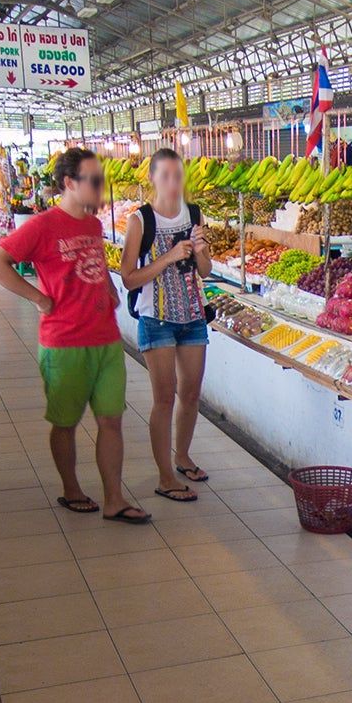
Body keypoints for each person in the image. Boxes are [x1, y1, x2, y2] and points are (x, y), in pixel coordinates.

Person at [0, 148, 149, 524]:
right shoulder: (43, 226)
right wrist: (38, 298)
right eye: (94, 180)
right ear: (69, 183)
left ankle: (114, 499)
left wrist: (107, 288)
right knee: (66, 422)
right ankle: (71, 488)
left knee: (111, 421)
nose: (100, 186)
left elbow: (93, 265)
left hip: (106, 340)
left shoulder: (92, 225)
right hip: (65, 342)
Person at [119, 149, 212, 502]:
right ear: (152, 178)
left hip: (192, 317)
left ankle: (182, 457)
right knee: (163, 398)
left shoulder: (195, 214)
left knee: (190, 394)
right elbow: (128, 278)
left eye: (178, 175)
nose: (174, 183)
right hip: (155, 318)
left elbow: (205, 271)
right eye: (166, 176)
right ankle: (164, 477)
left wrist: (200, 251)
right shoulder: (140, 220)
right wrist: (169, 256)